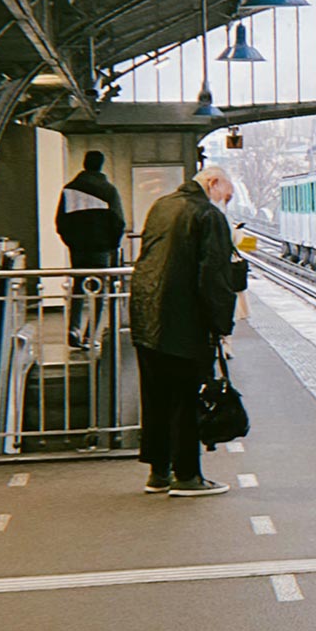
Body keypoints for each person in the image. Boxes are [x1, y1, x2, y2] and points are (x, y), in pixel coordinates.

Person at [130, 165, 239, 497]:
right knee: (185, 399)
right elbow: (214, 276)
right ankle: (188, 476)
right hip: (183, 322)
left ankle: (158, 473)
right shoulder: (207, 216)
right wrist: (222, 325)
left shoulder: (161, 206)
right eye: (226, 195)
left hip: (146, 317)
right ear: (213, 182)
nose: (225, 203)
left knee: (156, 398)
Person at [54, 149, 126, 349]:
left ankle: (73, 329)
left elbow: (60, 222)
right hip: (101, 251)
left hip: (78, 250)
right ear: (101, 165)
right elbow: (118, 221)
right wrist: (112, 245)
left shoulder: (69, 189)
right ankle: (89, 335)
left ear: (85, 164)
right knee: (98, 292)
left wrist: (71, 242)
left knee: (78, 288)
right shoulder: (108, 190)